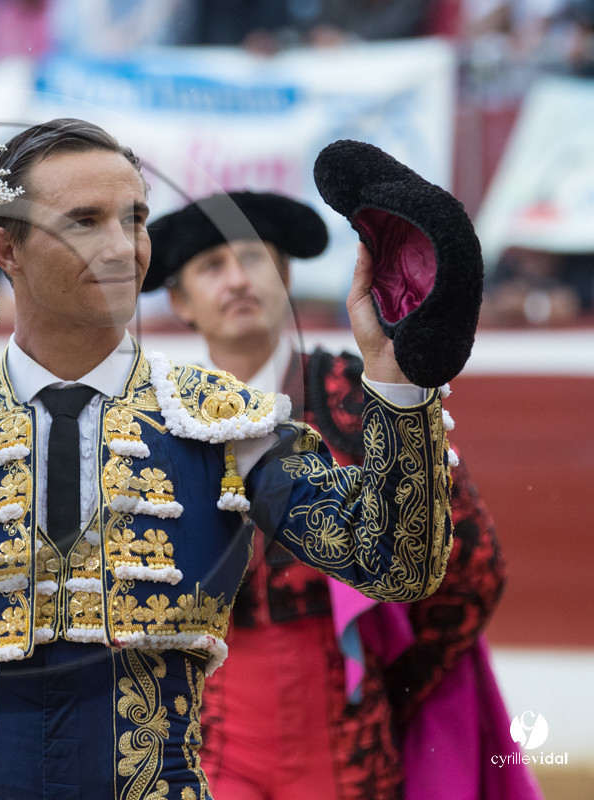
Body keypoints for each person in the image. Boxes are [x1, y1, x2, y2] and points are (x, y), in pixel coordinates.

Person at [0, 118, 454, 797]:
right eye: (84, 222)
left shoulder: (225, 423)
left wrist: (395, 377)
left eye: (133, 218)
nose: (121, 246)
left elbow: (394, 562)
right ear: (7, 249)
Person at [146, 190, 512, 799]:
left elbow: (472, 565)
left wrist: (395, 689)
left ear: (285, 275)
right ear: (180, 300)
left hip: (341, 728)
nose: (237, 281)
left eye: (255, 259)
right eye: (212, 267)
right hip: (210, 734)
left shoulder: (357, 393)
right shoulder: (164, 423)